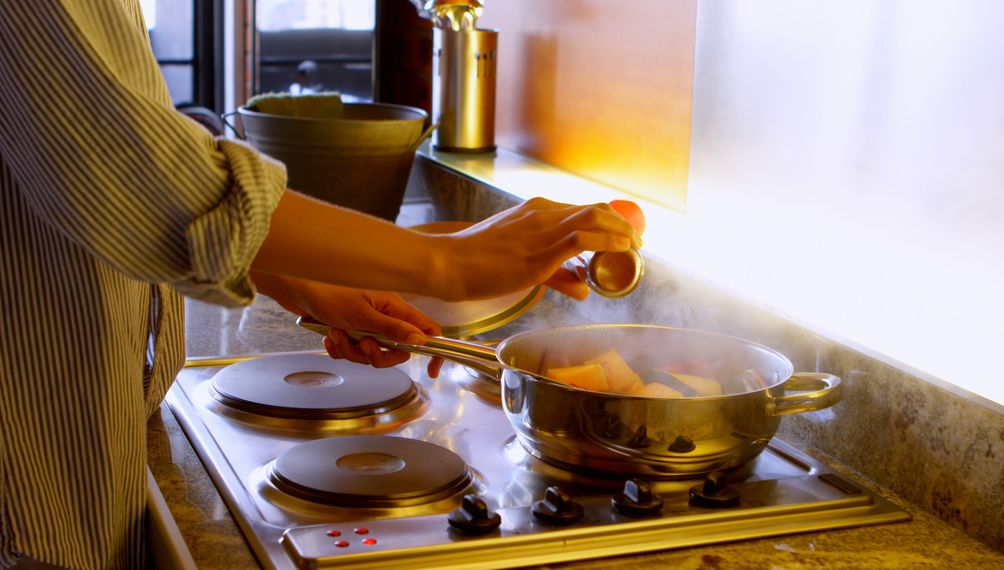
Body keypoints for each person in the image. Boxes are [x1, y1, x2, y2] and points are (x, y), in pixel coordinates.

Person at [0, 2, 641, 568]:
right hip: (28, 483)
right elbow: (134, 170)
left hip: (77, 436)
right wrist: (450, 264)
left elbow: (92, 162)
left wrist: (301, 278)